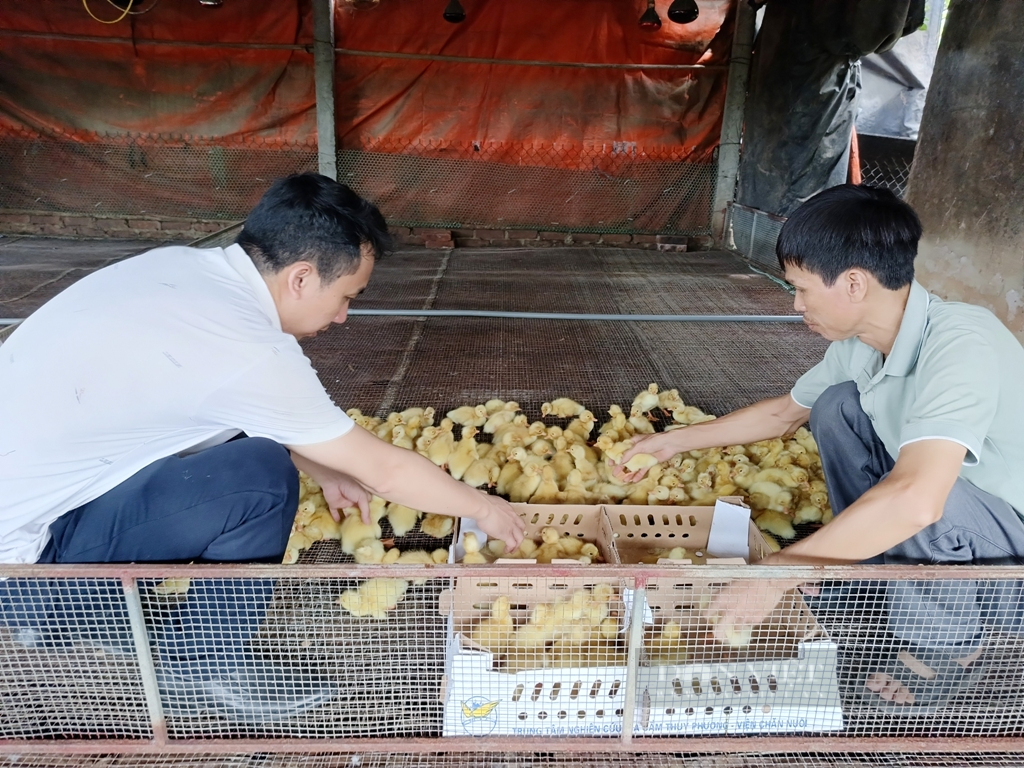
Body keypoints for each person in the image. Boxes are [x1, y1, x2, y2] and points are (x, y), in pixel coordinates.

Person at [0, 172, 525, 724]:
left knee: (270, 453)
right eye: (345, 297)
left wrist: (320, 463)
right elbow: (386, 471)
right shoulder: (252, 348)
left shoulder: (179, 267)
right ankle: (203, 666)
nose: (344, 317)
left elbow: (207, 400)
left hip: (29, 508)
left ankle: (81, 610)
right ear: (301, 277)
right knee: (263, 477)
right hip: (25, 564)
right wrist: (485, 508)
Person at [618, 184, 1024, 715]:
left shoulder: (962, 343)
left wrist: (777, 572)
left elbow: (919, 500)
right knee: (835, 406)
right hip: (957, 521)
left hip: (1006, 559)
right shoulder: (858, 347)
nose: (796, 304)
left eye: (803, 289)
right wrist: (670, 442)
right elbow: (783, 414)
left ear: (854, 283)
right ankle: (877, 586)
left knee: (924, 498)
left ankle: (948, 645)